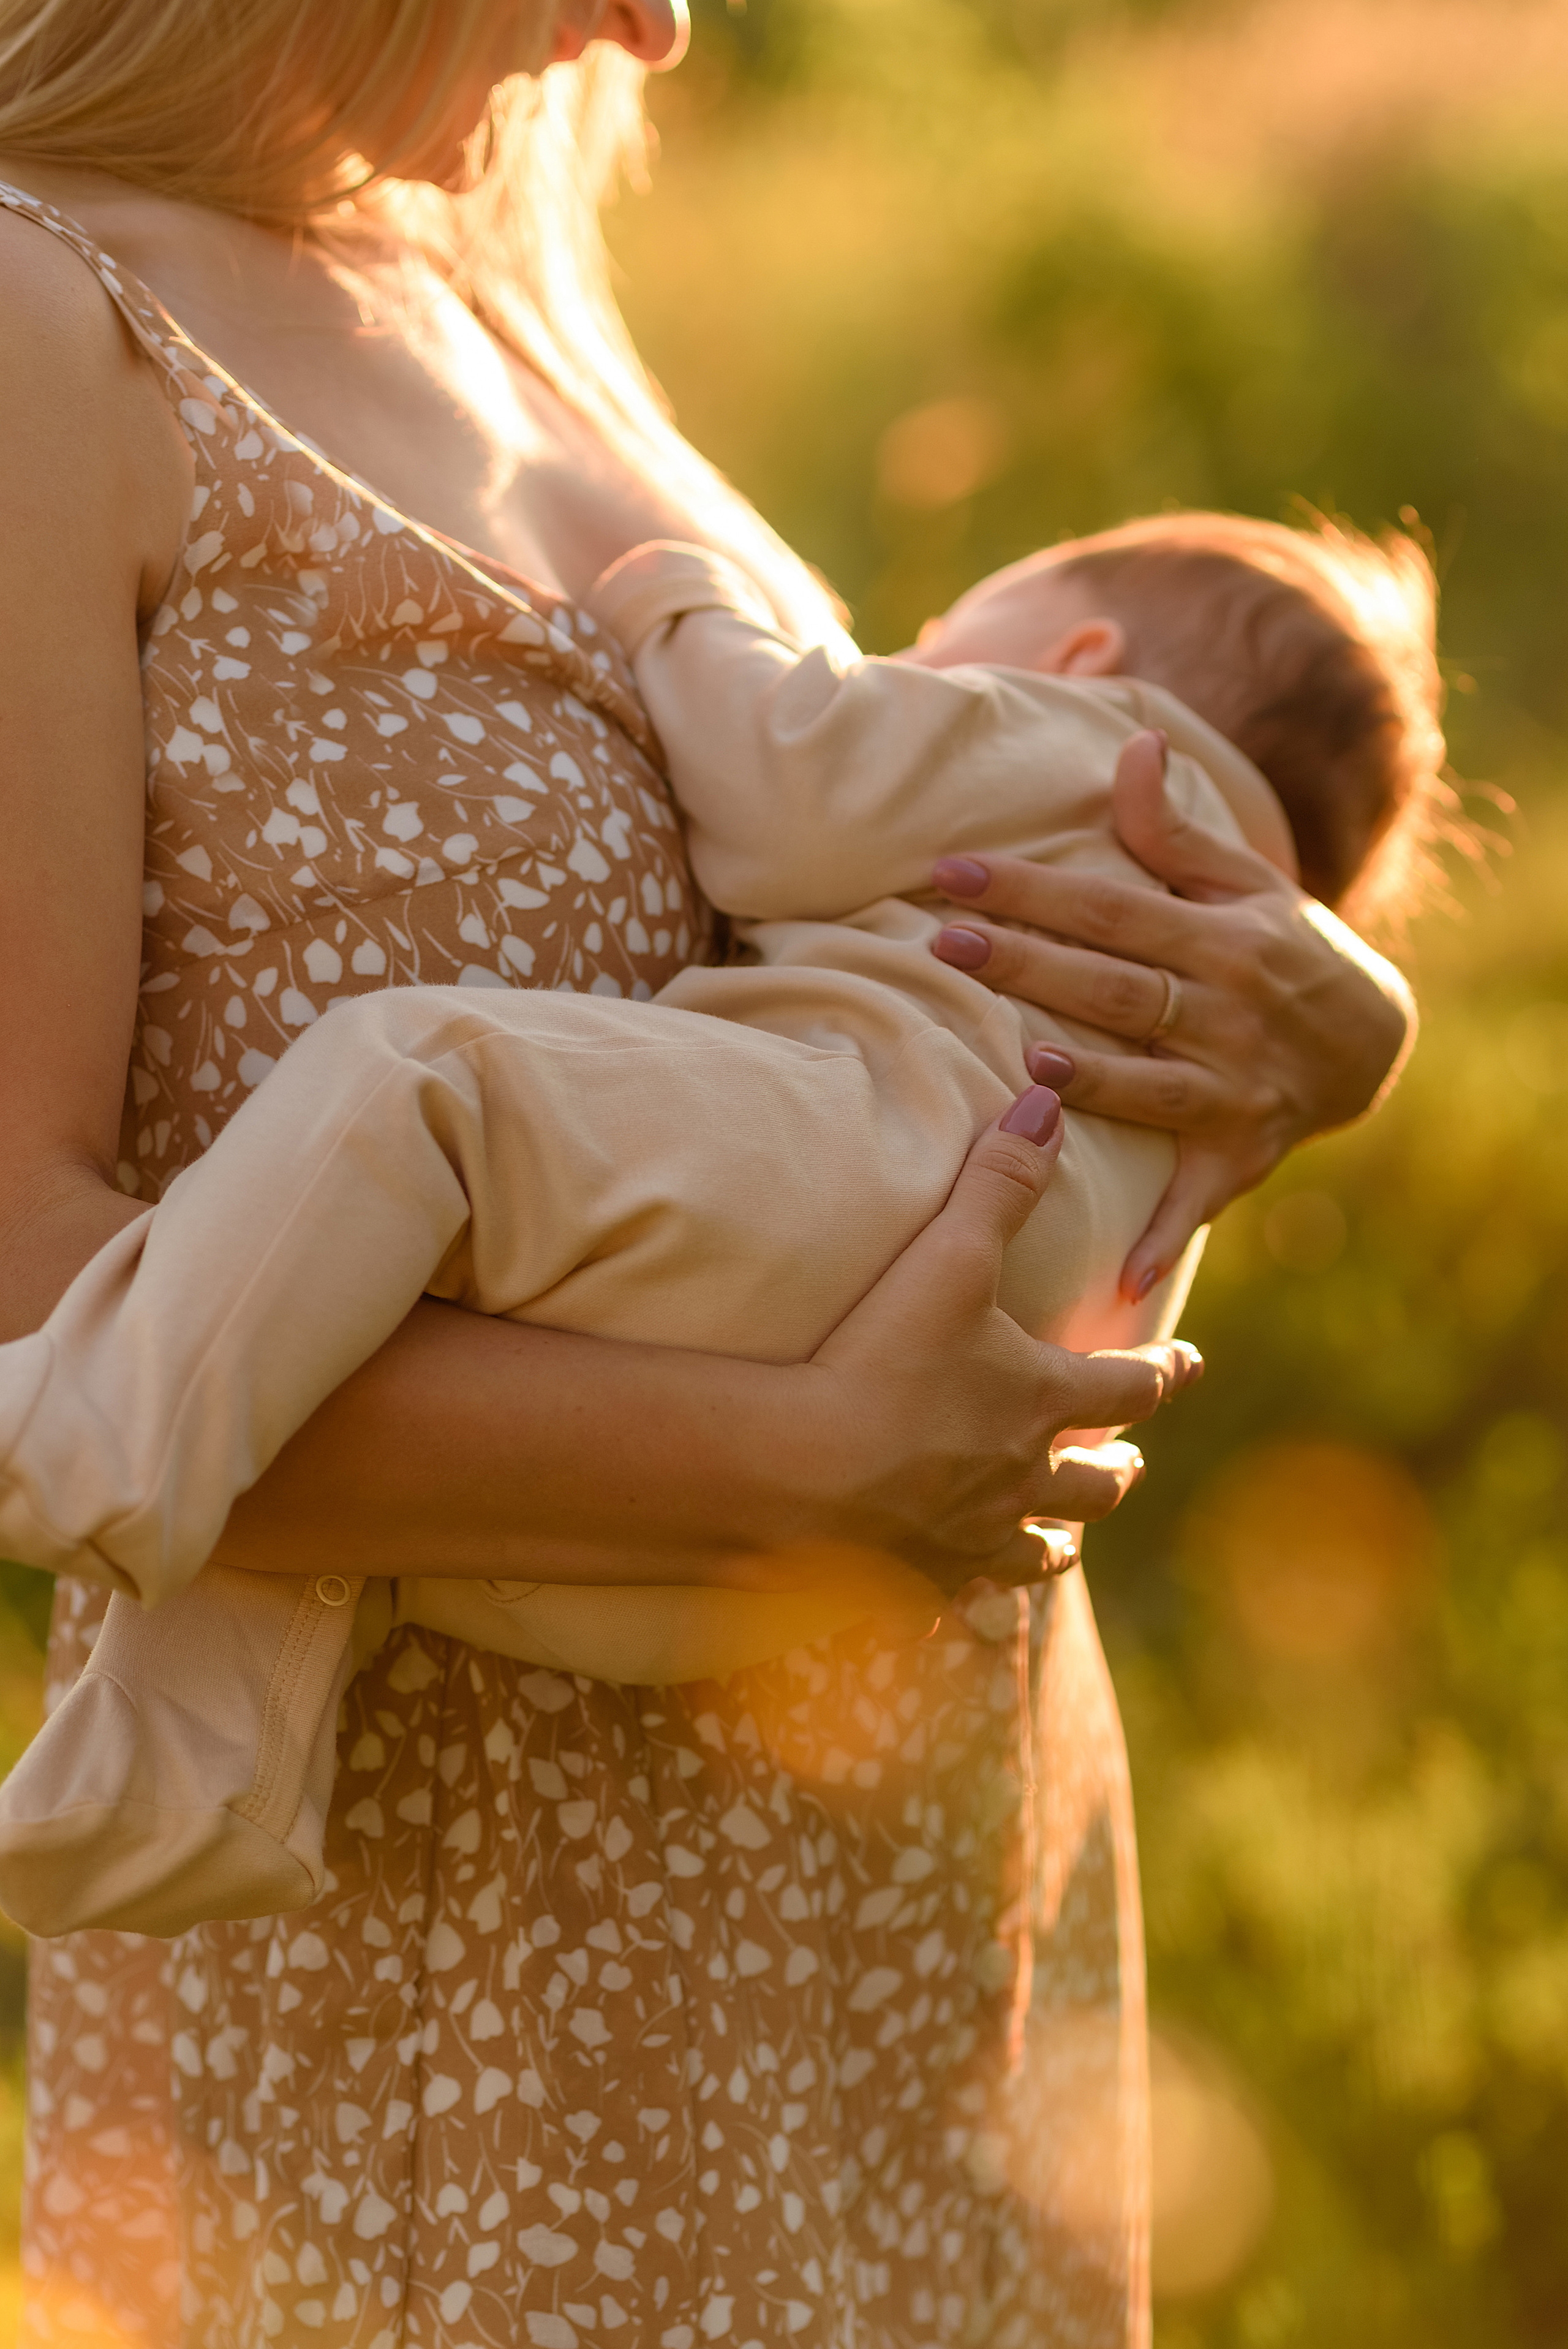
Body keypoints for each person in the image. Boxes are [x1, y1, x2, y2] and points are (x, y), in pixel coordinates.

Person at [0, 0, 1415, 2342]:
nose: (655, 29)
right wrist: (795, 1469)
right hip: (479, 2008)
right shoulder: (48, 320)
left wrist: (1322, 1025)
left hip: (916, 1942)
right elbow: (37, 1300)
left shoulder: (526, 305)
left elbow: (903, 1009)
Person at [0, 507, 1444, 1950]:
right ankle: (184, 1778)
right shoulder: (1230, 1048)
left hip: (848, 1191)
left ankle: (90, 1431)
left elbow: (780, 786)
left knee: (420, 1086)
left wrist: (676, 597)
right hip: (784, 1577)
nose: (908, 658)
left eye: (938, 641)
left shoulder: (1119, 755)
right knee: (309, 1371)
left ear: (1078, 653)